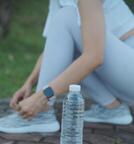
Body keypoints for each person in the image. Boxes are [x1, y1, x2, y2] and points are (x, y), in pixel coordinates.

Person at [0, 0, 134, 134]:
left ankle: (41, 113)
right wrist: (29, 83)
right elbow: (56, 48)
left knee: (68, 16)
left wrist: (41, 97)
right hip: (120, 76)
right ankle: (112, 108)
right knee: (67, 24)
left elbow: (94, 58)